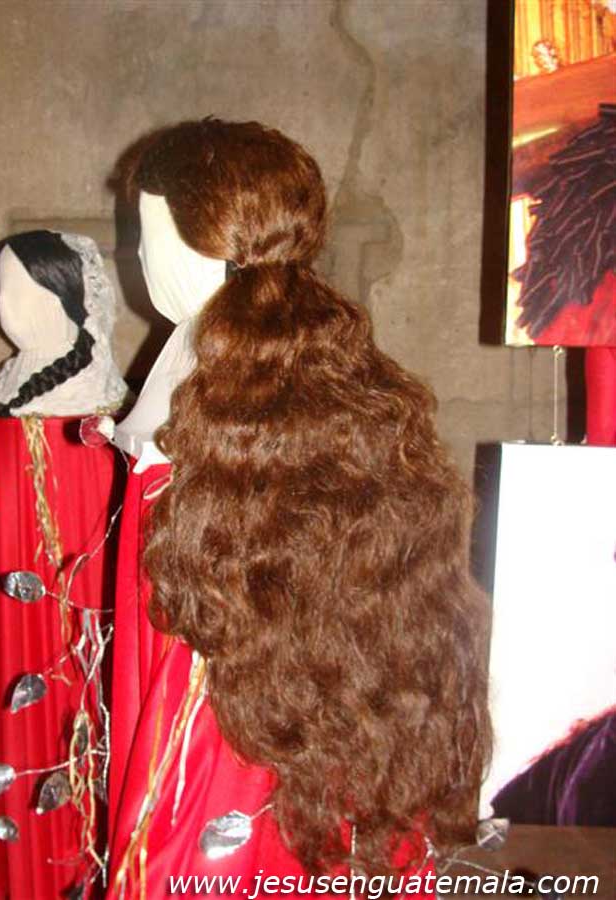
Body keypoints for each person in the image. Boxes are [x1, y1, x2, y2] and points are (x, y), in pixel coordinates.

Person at [108, 119, 491, 898]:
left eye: (148, 234)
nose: (138, 257)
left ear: (206, 244)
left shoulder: (228, 365)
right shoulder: (326, 355)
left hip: (222, 689)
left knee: (213, 845)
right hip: (265, 671)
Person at [0, 230, 127, 899]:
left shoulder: (86, 411)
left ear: (64, 297)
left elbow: (87, 538)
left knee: (54, 727)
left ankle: (59, 864)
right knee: (1, 712)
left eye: (19, 290)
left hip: (56, 622)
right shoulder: (6, 386)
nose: (4, 307)